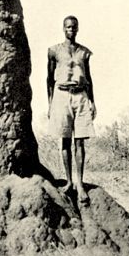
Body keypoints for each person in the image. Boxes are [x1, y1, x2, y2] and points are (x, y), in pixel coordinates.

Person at [47, 15, 97, 202]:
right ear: (63, 29)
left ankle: (80, 184)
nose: (71, 30)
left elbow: (89, 78)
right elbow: (49, 79)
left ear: (77, 29)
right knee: (65, 140)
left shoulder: (84, 52)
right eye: (68, 27)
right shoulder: (54, 51)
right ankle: (69, 182)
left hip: (81, 95)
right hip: (61, 95)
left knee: (80, 142)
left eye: (74, 27)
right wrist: (50, 103)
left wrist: (92, 101)